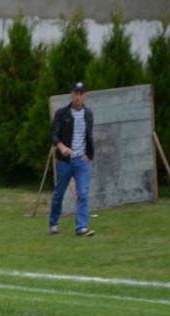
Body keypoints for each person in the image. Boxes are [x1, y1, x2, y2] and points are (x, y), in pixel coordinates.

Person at [49, 81, 95, 237]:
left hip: (82, 161)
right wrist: (62, 148)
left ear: (85, 96)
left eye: (81, 93)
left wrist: (89, 154)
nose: (78, 96)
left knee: (82, 193)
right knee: (59, 193)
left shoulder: (88, 114)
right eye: (76, 93)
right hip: (65, 161)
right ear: (71, 94)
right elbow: (54, 135)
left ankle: (81, 227)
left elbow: (89, 135)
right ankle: (53, 223)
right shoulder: (62, 114)